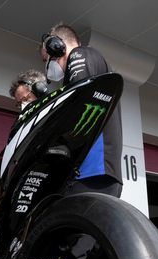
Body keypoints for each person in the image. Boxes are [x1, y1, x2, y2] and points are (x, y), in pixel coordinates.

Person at [40, 22, 123, 197]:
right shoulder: (88, 62)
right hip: (97, 173)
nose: (47, 65)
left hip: (91, 172)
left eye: (46, 59)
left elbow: (80, 107)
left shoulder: (80, 54)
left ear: (57, 46)